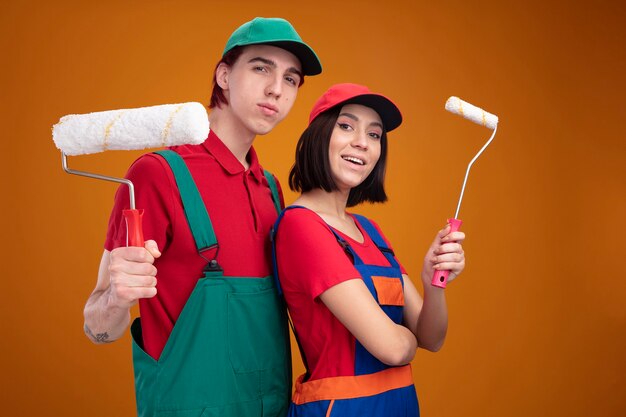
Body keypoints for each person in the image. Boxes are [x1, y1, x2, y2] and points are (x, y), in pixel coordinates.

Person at [82, 17, 322, 417]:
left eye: (291, 79)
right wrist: (118, 297)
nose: (276, 89)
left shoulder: (273, 191)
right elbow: (97, 329)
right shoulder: (156, 174)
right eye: (261, 67)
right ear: (224, 75)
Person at [271, 83, 466, 416]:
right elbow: (392, 348)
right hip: (343, 408)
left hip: (400, 404)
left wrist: (432, 282)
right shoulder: (300, 226)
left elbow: (431, 338)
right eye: (346, 126)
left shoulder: (369, 231)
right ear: (318, 136)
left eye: (375, 135)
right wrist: (406, 338)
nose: (362, 142)